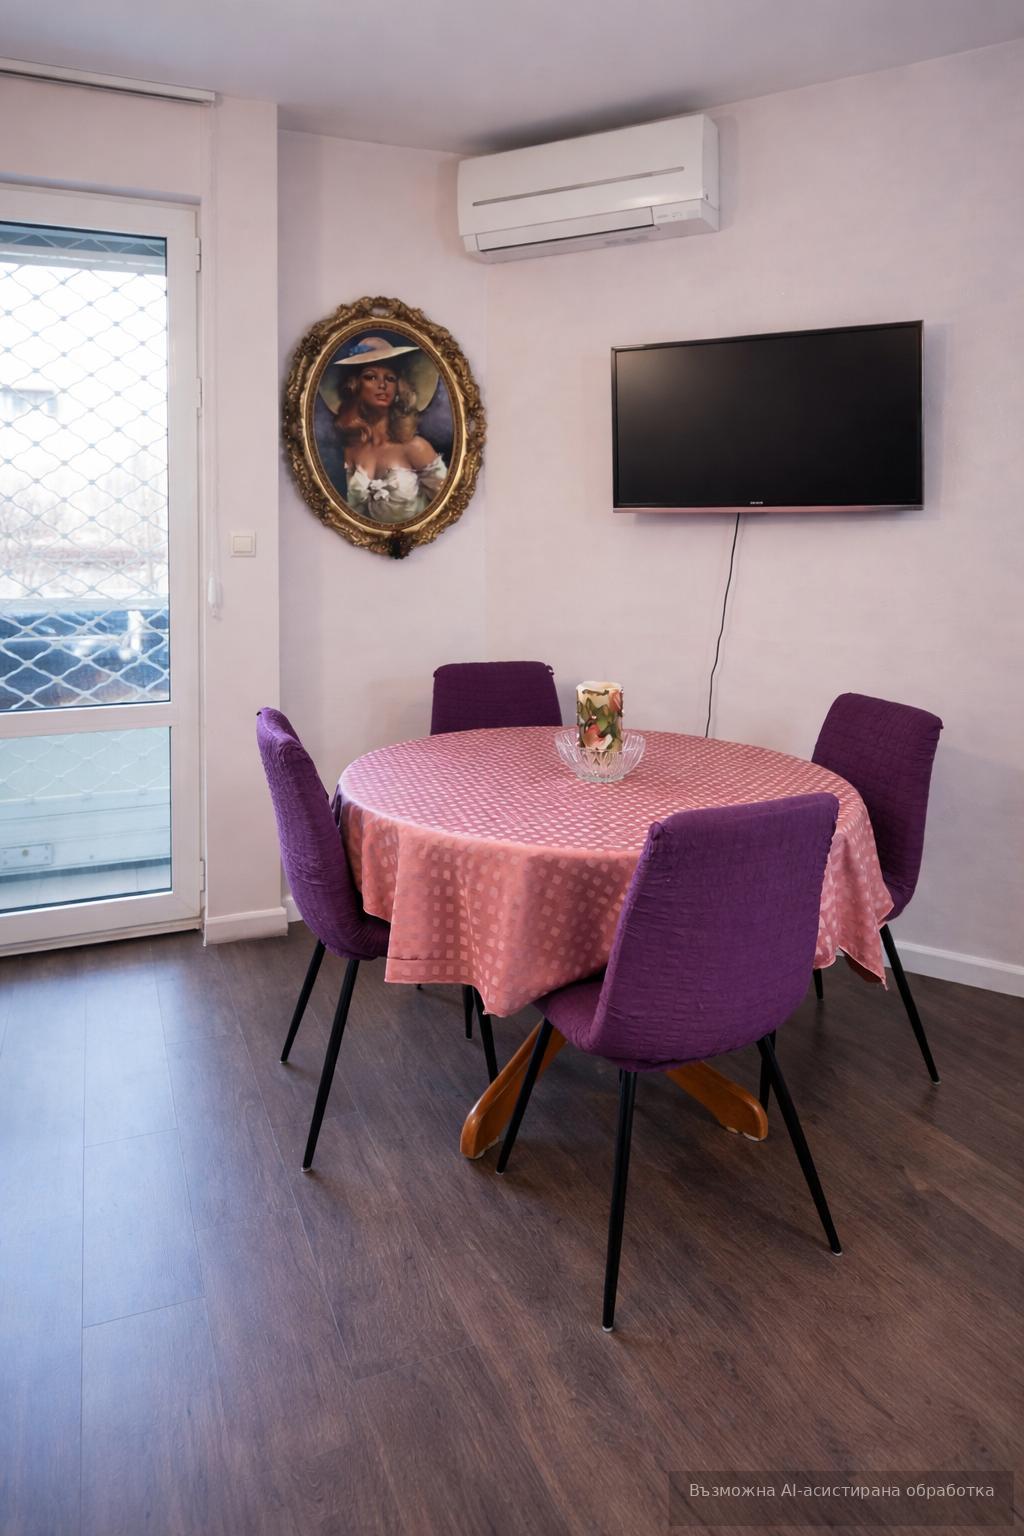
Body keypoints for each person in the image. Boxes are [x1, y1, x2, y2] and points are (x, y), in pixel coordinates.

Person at [325, 335, 447, 522]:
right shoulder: (351, 450)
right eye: (371, 377)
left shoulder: (416, 447)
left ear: (398, 388)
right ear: (355, 387)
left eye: (390, 378)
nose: (382, 385)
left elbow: (449, 507)